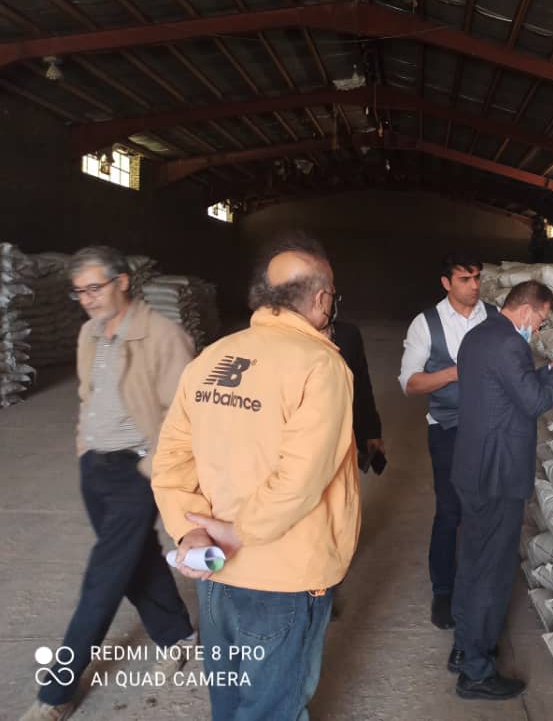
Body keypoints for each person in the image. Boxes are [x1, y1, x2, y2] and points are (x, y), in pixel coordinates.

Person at [152, 234, 361, 721]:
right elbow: (300, 478)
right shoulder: (320, 366)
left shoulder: (212, 358)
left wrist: (190, 530)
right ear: (321, 299)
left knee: (228, 701)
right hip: (283, 578)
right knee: (272, 707)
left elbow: (172, 459)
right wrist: (241, 531)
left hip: (214, 573)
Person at [22, 247, 195, 721]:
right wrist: (84, 447)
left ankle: (56, 693)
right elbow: (88, 395)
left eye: (94, 288)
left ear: (122, 282)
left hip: (136, 471)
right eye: (79, 292)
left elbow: (185, 414)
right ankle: (178, 637)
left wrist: (152, 467)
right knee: (135, 558)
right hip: (94, 467)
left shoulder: (163, 336)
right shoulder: (89, 334)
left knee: (102, 579)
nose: (87, 299)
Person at [448, 281, 553, 700]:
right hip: (497, 475)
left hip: (472, 469)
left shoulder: (479, 336)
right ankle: (476, 672)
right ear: (526, 310)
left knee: (472, 561)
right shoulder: (510, 344)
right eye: (541, 320)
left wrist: (547, 369)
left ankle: (463, 649)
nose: (538, 329)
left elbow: (507, 390)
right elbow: (533, 401)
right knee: (491, 571)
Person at [399, 254, 499, 630]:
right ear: (446, 283)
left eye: (477, 278)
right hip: (447, 427)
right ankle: (443, 591)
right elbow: (410, 383)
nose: (474, 286)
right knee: (450, 510)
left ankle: (478, 586)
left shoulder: (495, 317)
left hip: (490, 429)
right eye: (464, 279)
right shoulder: (426, 324)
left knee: (486, 509)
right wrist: (455, 373)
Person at [328, 318, 386, 474]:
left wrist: (371, 431)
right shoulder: (282, 338)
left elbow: (361, 386)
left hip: (340, 440)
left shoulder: (346, 335)